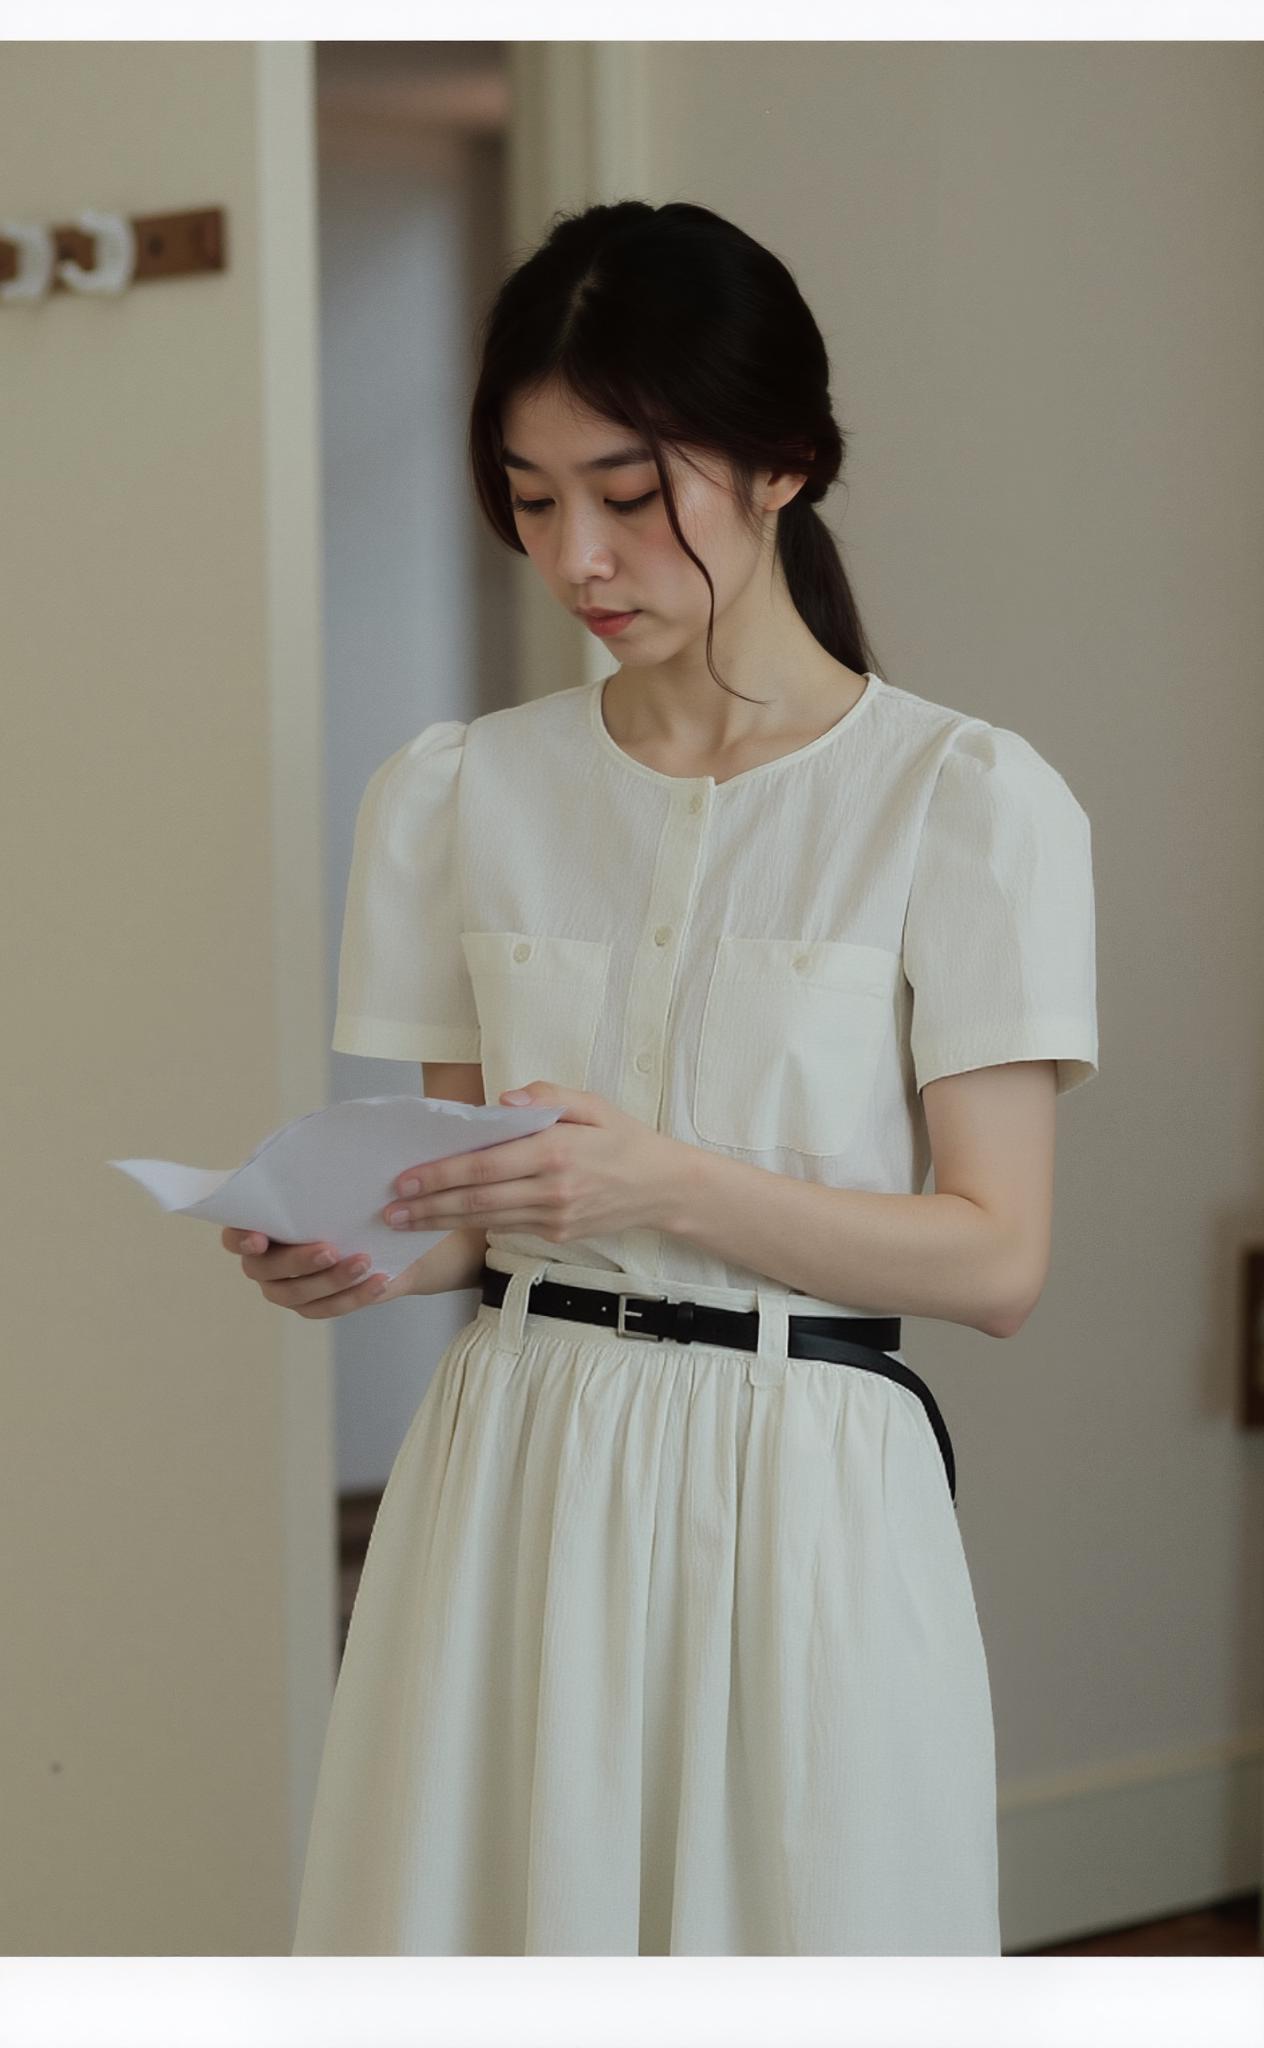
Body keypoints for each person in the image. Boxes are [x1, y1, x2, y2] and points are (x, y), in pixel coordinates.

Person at [227, 199, 1098, 1955]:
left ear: (782, 463)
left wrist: (669, 1183)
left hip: (807, 1485)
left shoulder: (966, 803)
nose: (577, 555)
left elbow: (996, 1262)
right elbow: (468, 1200)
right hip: (513, 1466)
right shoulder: (460, 793)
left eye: (630, 493)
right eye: (534, 499)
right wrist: (359, 1253)